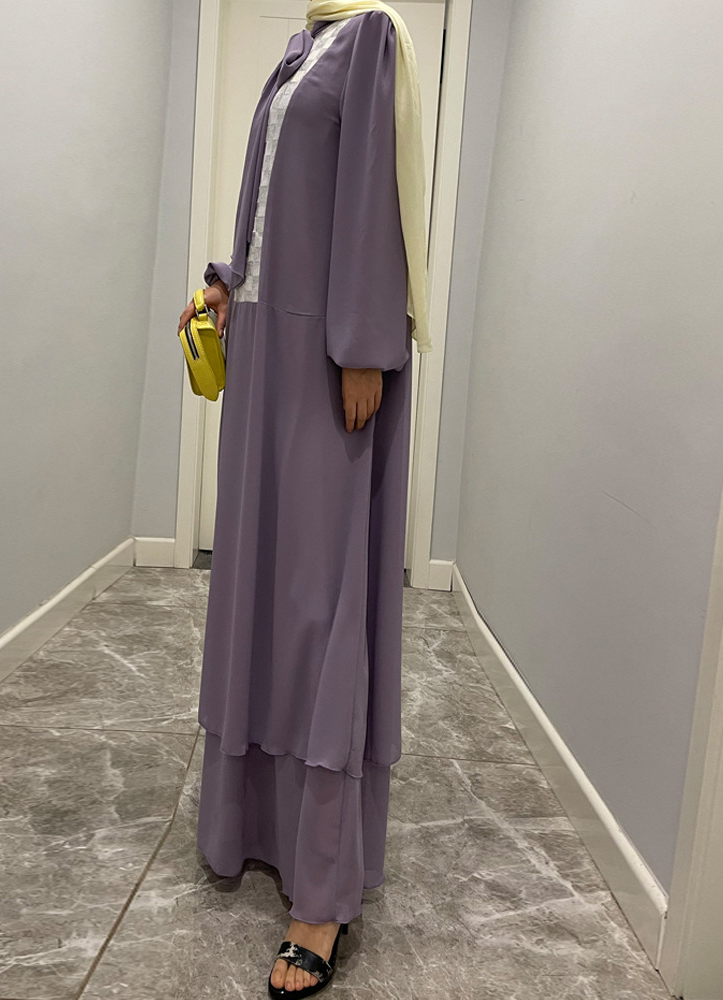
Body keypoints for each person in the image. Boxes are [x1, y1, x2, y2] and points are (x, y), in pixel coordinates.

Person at [177, 2, 429, 995]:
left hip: (330, 357)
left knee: (321, 603)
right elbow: (274, 199)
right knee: (259, 585)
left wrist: (364, 344)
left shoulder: (371, 36)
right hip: (264, 353)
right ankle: (252, 824)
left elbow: (371, 193)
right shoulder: (301, 45)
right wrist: (228, 281)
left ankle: (320, 892)